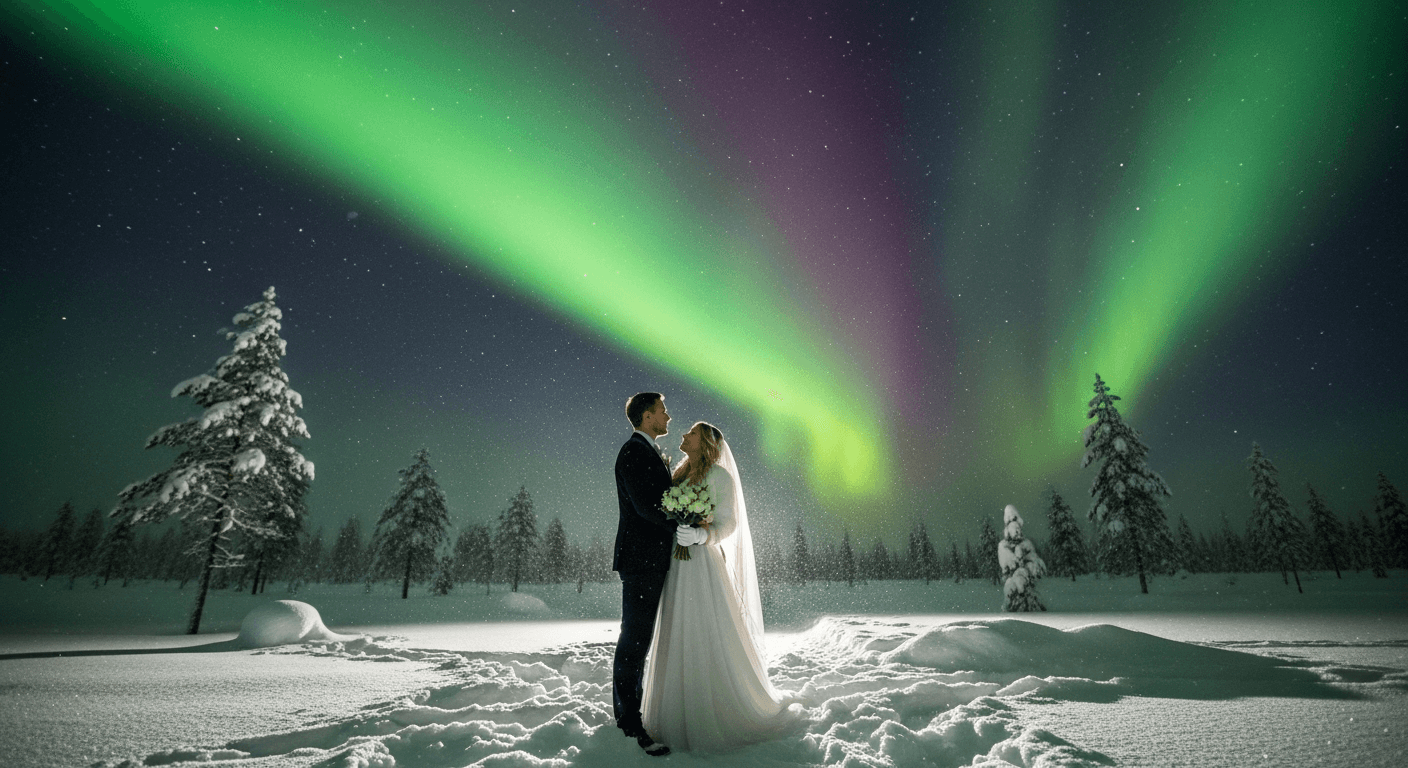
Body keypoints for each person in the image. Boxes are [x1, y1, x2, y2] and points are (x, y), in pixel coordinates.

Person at [642, 421, 802, 752]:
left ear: (706, 444)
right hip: (674, 563)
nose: (684, 436)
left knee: (702, 630)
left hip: (700, 565)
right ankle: (674, 714)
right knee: (676, 630)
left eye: (692, 434)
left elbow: (728, 522)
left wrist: (702, 535)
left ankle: (715, 713)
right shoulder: (679, 474)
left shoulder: (720, 478)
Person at [611, 392, 676, 757]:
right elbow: (647, 508)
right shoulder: (633, 452)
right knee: (634, 641)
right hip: (641, 561)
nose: (668, 416)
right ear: (648, 415)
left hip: (653, 560)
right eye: (663, 411)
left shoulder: (648, 450)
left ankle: (631, 711)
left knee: (640, 640)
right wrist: (684, 522)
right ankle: (629, 721)